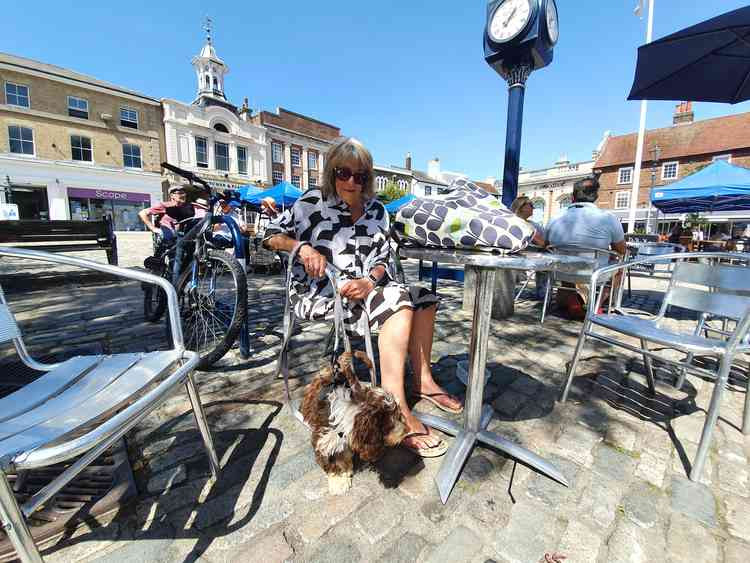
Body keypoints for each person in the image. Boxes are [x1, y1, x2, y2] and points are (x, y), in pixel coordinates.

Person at [264, 137, 462, 457]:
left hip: (368, 289)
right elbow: (270, 235)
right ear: (332, 172)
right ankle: (395, 408)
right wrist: (301, 247)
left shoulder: (377, 210)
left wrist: (370, 281)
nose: (352, 182)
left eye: (360, 176)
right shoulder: (310, 204)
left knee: (424, 297)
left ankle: (423, 381)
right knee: (398, 300)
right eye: (344, 173)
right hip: (323, 291)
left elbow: (384, 258)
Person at [545, 176, 626, 319]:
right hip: (595, 273)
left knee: (565, 263)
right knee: (621, 265)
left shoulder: (555, 218)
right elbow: (621, 251)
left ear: (573, 197)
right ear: (596, 196)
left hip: (561, 273)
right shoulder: (608, 218)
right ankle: (596, 304)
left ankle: (572, 300)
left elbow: (547, 246)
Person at [511, 196, 546, 298]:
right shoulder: (527, 225)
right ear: (522, 207)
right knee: (547, 263)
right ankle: (542, 294)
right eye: (531, 205)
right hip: (524, 259)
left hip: (514, 257)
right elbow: (542, 243)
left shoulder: (510, 221)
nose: (533, 208)